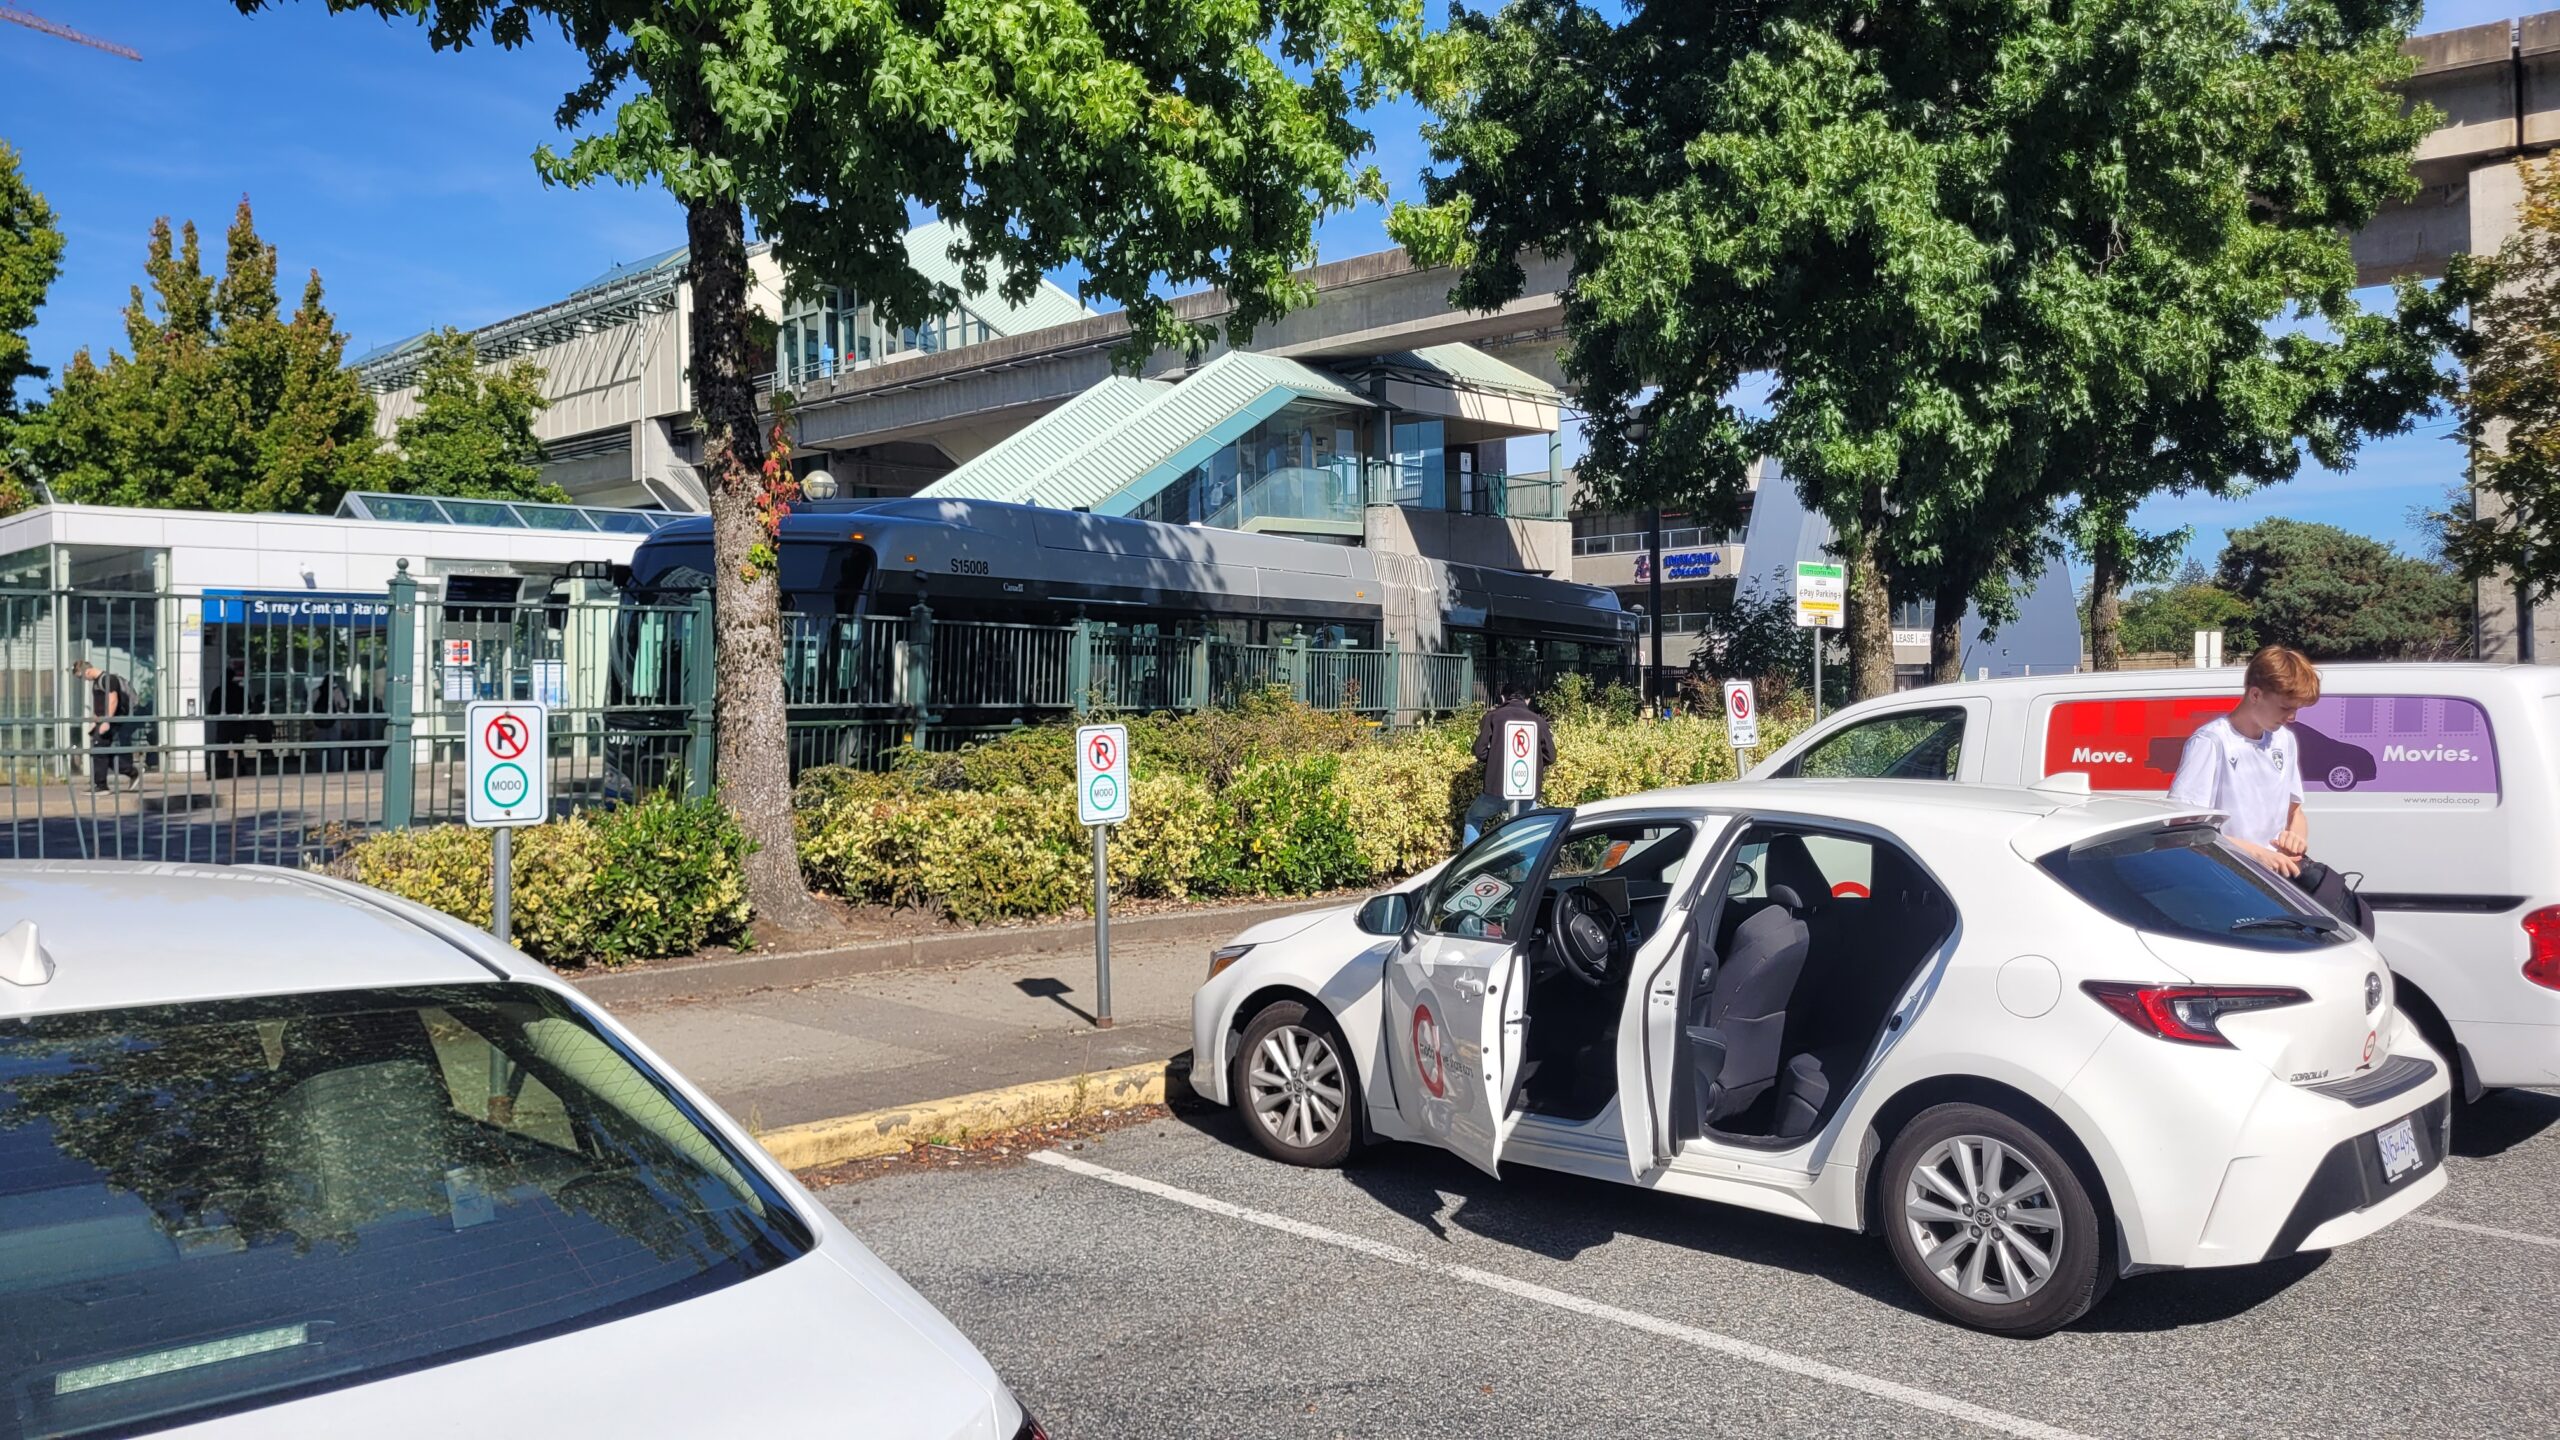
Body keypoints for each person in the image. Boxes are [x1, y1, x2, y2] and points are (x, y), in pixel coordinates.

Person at [2165, 645, 2374, 937]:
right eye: (2285, 707)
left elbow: (2295, 811)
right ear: (2255, 694)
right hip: (2224, 888)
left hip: (2274, 888)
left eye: (2296, 709)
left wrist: (2296, 839)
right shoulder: (2212, 741)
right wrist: (2254, 852)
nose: (2292, 717)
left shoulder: (2284, 741)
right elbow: (2183, 828)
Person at [1466, 681, 1553, 847]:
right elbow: (1551, 756)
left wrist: (1494, 761)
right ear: (1527, 700)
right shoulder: (1539, 722)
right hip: (1526, 789)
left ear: (1502, 697)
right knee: (1527, 834)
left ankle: (1468, 869)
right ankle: (1527, 871)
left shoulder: (1492, 717)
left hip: (1495, 789)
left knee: (1474, 817)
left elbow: (1479, 750)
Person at [75, 657, 140, 794]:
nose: (84, 680)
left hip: (113, 720)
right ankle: (131, 771)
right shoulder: (97, 682)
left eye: (81, 677)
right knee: (101, 751)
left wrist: (107, 721)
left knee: (99, 748)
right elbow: (99, 704)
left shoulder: (108, 679)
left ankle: (101, 785)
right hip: (103, 720)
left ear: (87, 672)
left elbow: (113, 700)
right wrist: (95, 721)